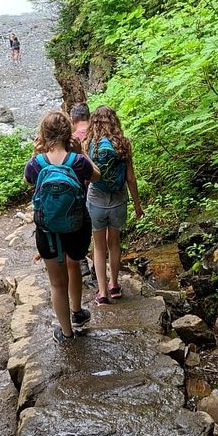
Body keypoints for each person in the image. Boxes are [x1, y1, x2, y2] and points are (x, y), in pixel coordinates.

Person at [24, 111, 100, 344]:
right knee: (73, 264)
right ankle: (77, 311)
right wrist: (81, 153)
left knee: (56, 283)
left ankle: (66, 333)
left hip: (47, 231)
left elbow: (28, 181)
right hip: (76, 225)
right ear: (69, 133)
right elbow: (96, 176)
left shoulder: (36, 163)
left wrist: (37, 153)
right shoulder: (77, 161)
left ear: (43, 134)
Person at [84, 105, 144, 305]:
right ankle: (115, 285)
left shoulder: (90, 144)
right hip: (118, 200)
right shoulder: (123, 144)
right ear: (114, 121)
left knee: (99, 247)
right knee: (114, 244)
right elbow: (131, 177)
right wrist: (137, 204)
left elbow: (86, 177)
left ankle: (102, 293)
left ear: (94, 122)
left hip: (96, 201)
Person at [70, 102, 92, 277]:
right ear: (88, 117)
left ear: (73, 120)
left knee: (80, 226)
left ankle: (82, 261)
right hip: (100, 188)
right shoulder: (98, 134)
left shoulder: (71, 140)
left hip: (78, 190)